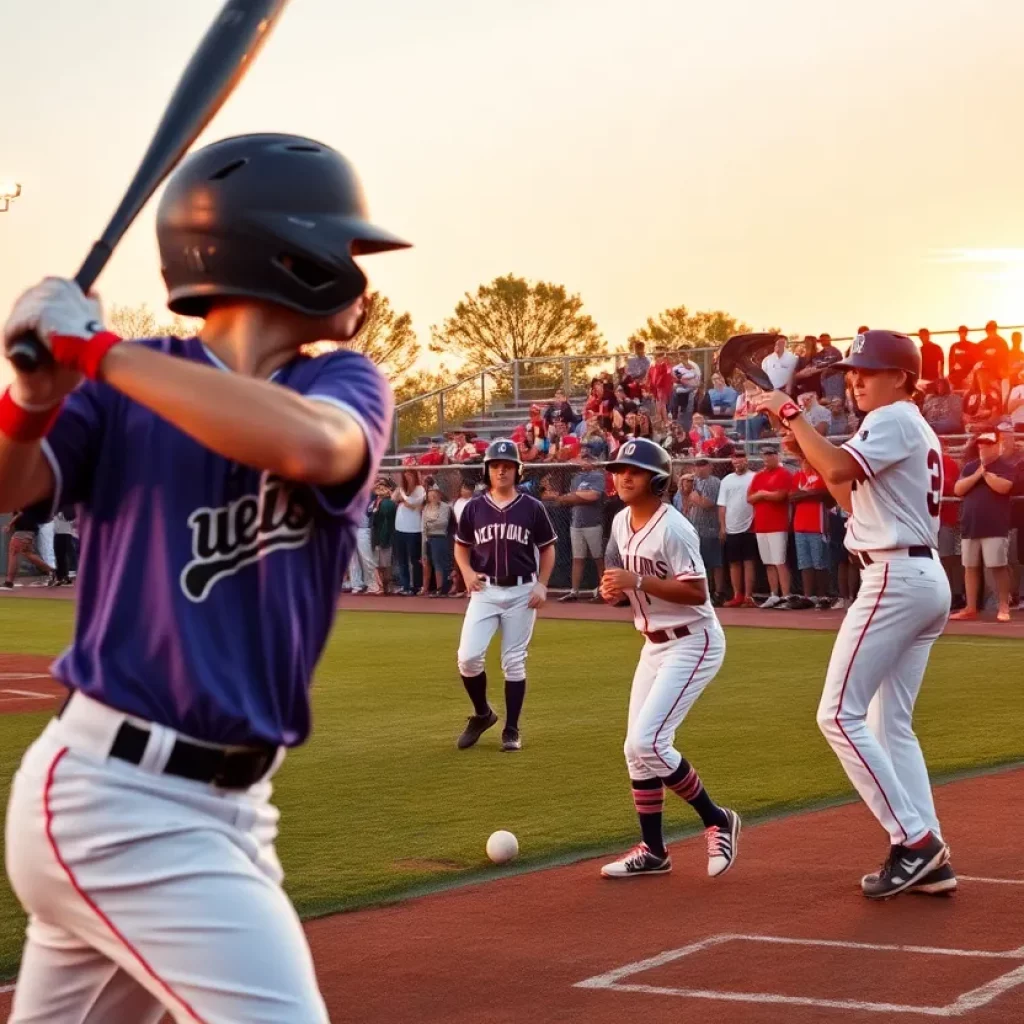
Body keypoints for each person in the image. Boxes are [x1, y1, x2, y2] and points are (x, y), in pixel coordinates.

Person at [0, 133, 406, 1021]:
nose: (359, 274)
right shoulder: (121, 389)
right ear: (283, 251)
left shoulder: (346, 383)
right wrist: (33, 397)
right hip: (121, 798)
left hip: (228, 807)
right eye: (343, 247)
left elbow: (306, 444)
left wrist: (93, 350)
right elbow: (10, 485)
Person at [756, 330, 952, 899]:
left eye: (868, 370)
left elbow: (839, 470)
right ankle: (930, 852)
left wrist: (792, 411)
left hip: (894, 577)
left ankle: (914, 842)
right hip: (916, 575)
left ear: (903, 377)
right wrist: (799, 439)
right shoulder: (901, 423)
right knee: (889, 725)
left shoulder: (894, 417)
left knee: (838, 715)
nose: (855, 379)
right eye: (853, 370)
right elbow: (850, 496)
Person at [597, 438, 740, 879]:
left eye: (634, 471)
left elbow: (697, 592)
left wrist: (636, 580)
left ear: (656, 480)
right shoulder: (622, 522)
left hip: (693, 641)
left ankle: (718, 819)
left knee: (649, 742)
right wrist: (615, 593)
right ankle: (654, 851)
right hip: (653, 643)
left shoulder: (675, 527)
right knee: (634, 750)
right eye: (620, 469)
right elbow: (626, 590)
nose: (623, 477)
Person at [453, 439, 556, 753]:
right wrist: (467, 572)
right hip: (485, 590)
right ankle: (483, 714)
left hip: (522, 591)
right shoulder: (473, 507)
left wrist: (542, 584)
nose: (501, 470)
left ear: (517, 470)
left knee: (513, 662)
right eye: (496, 466)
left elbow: (548, 548)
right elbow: (461, 545)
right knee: (468, 657)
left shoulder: (531, 507)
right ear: (487, 470)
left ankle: (511, 729)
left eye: (507, 466)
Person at [951, 431, 1015, 622]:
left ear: (997, 445)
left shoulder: (1005, 466)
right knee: (970, 566)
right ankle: (970, 607)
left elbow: (1004, 487)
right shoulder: (971, 467)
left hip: (995, 525)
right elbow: (958, 490)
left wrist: (985, 473)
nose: (983, 447)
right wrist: (978, 473)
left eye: (988, 444)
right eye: (981, 444)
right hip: (970, 524)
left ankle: (1004, 606)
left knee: (997, 566)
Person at [555, 442, 607, 603]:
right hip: (576, 524)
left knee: (598, 559)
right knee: (577, 559)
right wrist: (579, 496)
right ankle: (574, 591)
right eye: (583, 458)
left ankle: (605, 591)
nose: (584, 461)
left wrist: (575, 496)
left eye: (588, 459)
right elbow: (568, 499)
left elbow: (594, 496)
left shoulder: (598, 475)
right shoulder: (577, 477)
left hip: (593, 523)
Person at [747, 446, 794, 608]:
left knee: (779, 560)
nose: (766, 459)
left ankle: (786, 595)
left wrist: (762, 494)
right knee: (768, 562)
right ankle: (774, 594)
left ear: (777, 456)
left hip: (778, 524)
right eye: (764, 456)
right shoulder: (759, 475)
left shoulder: (784, 474)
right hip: (761, 525)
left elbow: (781, 495)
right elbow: (749, 497)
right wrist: (764, 494)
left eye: (770, 456)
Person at [717, 451, 757, 607]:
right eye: (735, 460)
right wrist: (723, 527)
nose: (738, 463)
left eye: (741, 460)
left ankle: (748, 596)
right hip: (731, 527)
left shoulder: (754, 477)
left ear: (746, 461)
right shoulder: (726, 480)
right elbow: (722, 505)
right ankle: (737, 595)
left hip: (749, 526)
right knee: (734, 563)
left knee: (749, 561)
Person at [2, 505, 54, 588]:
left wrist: (9, 524)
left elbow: (21, 513)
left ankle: (9, 581)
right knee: (28, 553)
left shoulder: (23, 499)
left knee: (13, 551)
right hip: (28, 528)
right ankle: (52, 571)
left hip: (25, 528)